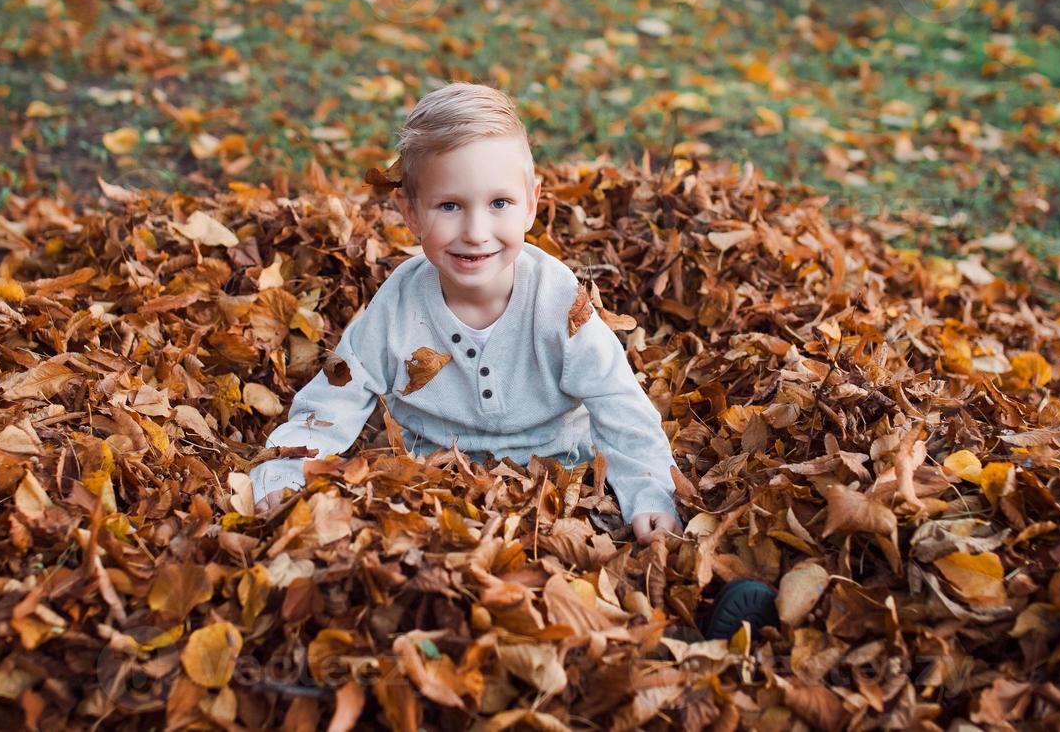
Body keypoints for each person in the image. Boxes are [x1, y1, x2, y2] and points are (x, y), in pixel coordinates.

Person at [250, 83, 778, 637]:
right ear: (409, 210)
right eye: (449, 206)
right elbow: (333, 402)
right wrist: (283, 479)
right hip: (437, 484)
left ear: (531, 202)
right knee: (412, 567)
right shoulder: (398, 309)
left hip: (562, 473)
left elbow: (617, 401)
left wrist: (646, 489)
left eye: (498, 203)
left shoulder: (554, 300)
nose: (476, 232)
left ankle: (684, 615)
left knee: (604, 550)